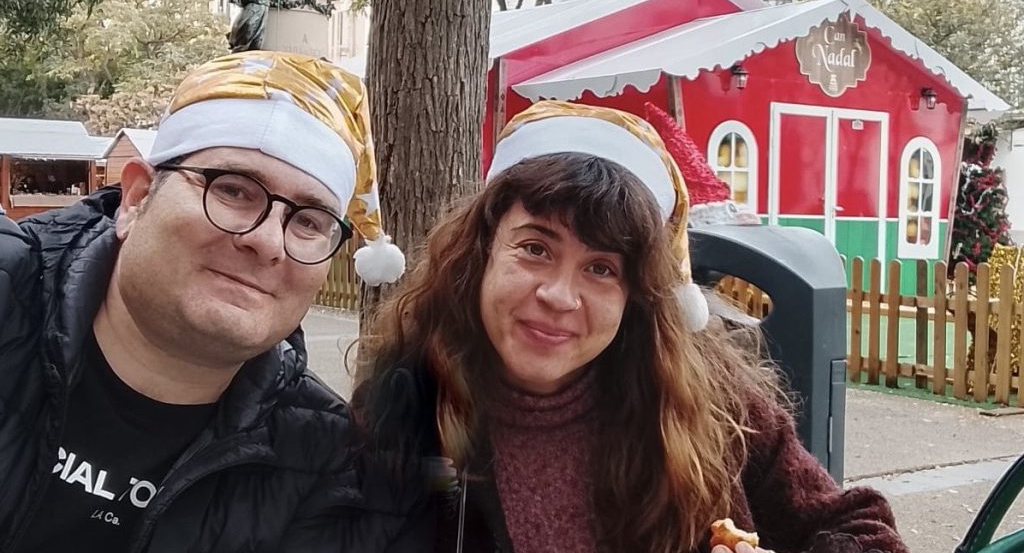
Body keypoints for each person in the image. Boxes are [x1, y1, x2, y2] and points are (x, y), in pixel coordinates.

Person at [353, 101, 908, 553]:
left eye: (601, 268)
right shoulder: (402, 410)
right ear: (481, 254)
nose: (559, 296)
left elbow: (863, 527)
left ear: (636, 296)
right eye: (535, 248)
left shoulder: (713, 408)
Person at [0, 51, 411, 552]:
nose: (267, 241)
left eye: (308, 221)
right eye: (234, 190)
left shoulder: (326, 464)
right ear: (136, 199)